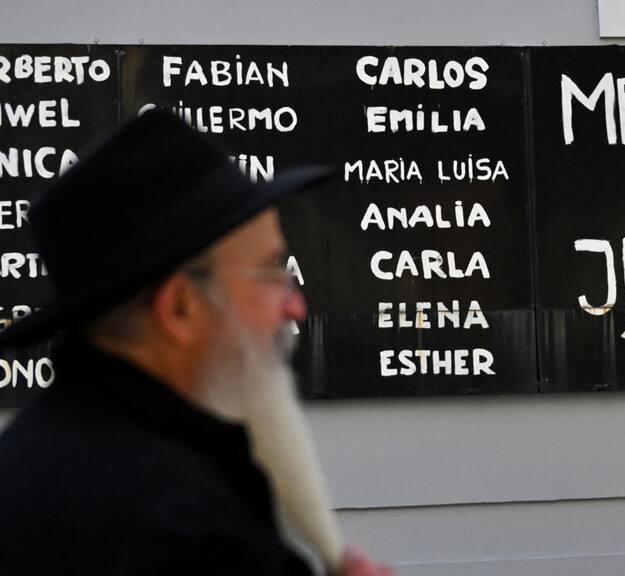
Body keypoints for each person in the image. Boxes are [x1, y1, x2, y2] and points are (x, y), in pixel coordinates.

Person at [0, 110, 393, 576]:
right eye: (271, 272)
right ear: (180, 308)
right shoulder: (191, 534)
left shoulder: (29, 461)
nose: (295, 307)